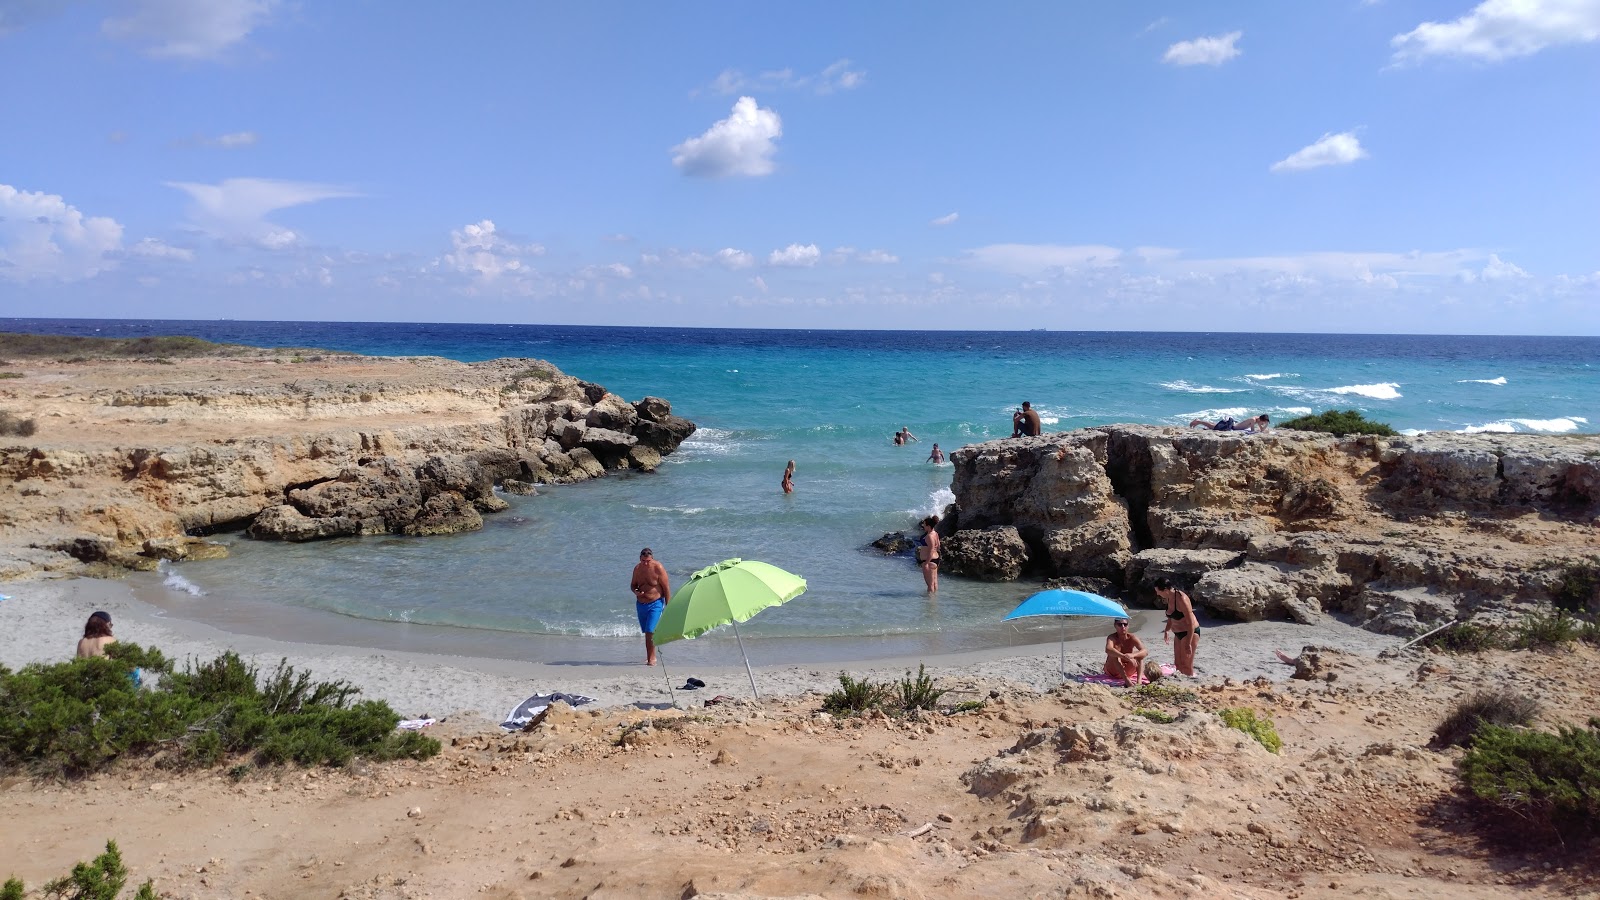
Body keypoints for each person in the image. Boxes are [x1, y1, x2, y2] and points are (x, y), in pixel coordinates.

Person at [630, 548, 671, 666]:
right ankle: (651, 655)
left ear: (652, 558)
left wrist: (669, 606)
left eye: (648, 561)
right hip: (641, 605)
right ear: (640, 559)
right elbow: (633, 585)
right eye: (643, 561)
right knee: (647, 632)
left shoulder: (658, 568)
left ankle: (651, 659)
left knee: (650, 631)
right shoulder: (637, 569)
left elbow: (666, 588)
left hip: (656, 603)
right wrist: (636, 592)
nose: (645, 563)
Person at [1155, 576, 1200, 677]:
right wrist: (1167, 630)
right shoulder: (1168, 597)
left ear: (1165, 590)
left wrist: (1188, 642)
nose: (1157, 594)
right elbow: (1172, 617)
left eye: (1158, 591)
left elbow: (1190, 623)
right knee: (1178, 664)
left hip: (1189, 632)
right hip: (1178, 633)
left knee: (1186, 665)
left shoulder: (1181, 599)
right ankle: (1182, 684)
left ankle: (1191, 684)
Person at [1103, 618, 1148, 686]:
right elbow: (1108, 649)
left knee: (1139, 655)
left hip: (1127, 669)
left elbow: (1145, 651)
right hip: (1113, 671)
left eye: (1125, 624)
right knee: (1114, 654)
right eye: (1120, 624)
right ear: (1115, 625)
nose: (1123, 627)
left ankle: (1139, 681)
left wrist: (1133, 655)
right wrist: (1123, 656)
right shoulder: (1112, 637)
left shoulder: (1132, 637)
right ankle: (1127, 681)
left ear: (1128, 626)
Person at [915, 515, 941, 593]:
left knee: (930, 585)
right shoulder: (935, 533)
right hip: (935, 559)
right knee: (934, 583)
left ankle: (929, 603)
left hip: (929, 561)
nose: (923, 525)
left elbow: (931, 549)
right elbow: (938, 546)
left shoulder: (929, 536)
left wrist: (926, 563)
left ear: (928, 526)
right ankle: (934, 601)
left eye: (924, 524)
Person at [1188, 414, 1270, 433]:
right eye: (1264, 422)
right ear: (1261, 419)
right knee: (1214, 427)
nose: (1263, 423)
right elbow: (1252, 431)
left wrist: (1266, 425)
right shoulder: (1253, 420)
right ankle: (1198, 421)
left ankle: (1198, 421)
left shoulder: (1258, 420)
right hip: (1232, 426)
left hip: (1233, 424)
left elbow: (1262, 430)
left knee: (1213, 425)